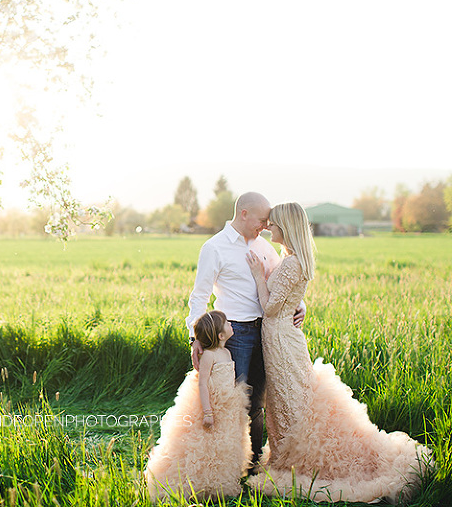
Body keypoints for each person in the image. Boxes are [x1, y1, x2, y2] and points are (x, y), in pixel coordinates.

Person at [245, 202, 434, 503]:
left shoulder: (292, 263)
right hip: (280, 336)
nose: (268, 227)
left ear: (286, 227)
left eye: (273, 223)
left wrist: (258, 274)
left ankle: (295, 461)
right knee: (283, 400)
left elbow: (269, 308)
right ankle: (283, 456)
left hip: (281, 340)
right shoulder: (290, 259)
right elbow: (288, 298)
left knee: (289, 401)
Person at [185, 192, 304, 465]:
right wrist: (195, 337)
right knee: (232, 403)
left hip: (266, 332)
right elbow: (199, 296)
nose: (265, 226)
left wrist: (301, 305)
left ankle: (254, 465)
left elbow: (285, 281)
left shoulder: (264, 247)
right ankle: (228, 465)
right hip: (233, 335)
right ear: (244, 214)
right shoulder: (214, 247)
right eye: (262, 220)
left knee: (258, 404)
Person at [145, 310, 252, 501]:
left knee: (224, 443)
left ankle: (220, 482)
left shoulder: (226, 352)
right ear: (220, 336)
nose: (231, 324)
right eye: (227, 323)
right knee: (205, 443)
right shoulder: (209, 356)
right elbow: (202, 383)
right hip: (212, 404)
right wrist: (208, 412)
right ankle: (198, 483)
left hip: (227, 405)